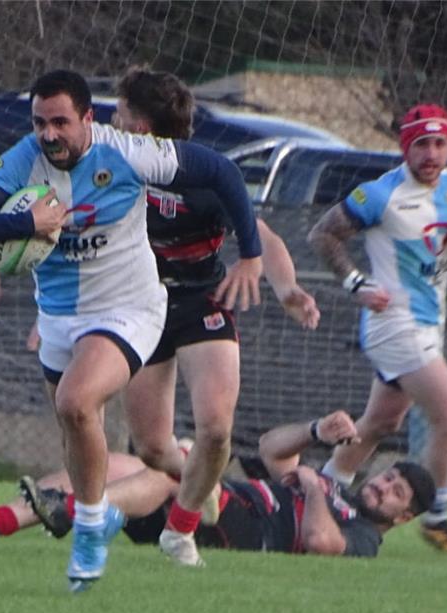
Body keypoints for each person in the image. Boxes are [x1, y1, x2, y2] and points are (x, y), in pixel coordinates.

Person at [0, 70, 263, 592]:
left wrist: (251, 254)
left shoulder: (129, 151)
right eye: (41, 123)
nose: (50, 134)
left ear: (89, 119)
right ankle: (101, 514)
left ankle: (90, 529)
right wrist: (26, 225)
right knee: (78, 426)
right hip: (60, 315)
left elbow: (222, 171)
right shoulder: (25, 158)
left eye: (61, 123)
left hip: (129, 308)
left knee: (76, 401)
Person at [109, 66, 320, 570]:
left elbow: (262, 237)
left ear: (139, 126)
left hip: (204, 302)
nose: (111, 120)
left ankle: (179, 532)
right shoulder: (110, 166)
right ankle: (200, 481)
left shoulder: (204, 175)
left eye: (119, 113)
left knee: (216, 430)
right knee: (156, 449)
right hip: (144, 307)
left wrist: (286, 288)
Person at [306, 103, 447, 559]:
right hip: (394, 324)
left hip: (429, 322)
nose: (431, 153)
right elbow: (323, 235)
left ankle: (323, 487)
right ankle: (439, 518)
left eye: (440, 143)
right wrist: (356, 283)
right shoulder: (381, 194)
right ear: (406, 147)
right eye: (421, 144)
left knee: (383, 422)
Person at [0, 410, 436, 559]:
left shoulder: (366, 539)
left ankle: (71, 510)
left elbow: (322, 543)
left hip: (241, 527)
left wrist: (309, 485)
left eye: (397, 493)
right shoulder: (340, 493)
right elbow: (270, 449)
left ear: (404, 518)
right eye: (389, 477)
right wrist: (313, 435)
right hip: (227, 499)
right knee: (108, 464)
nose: (384, 488)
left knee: (164, 475)